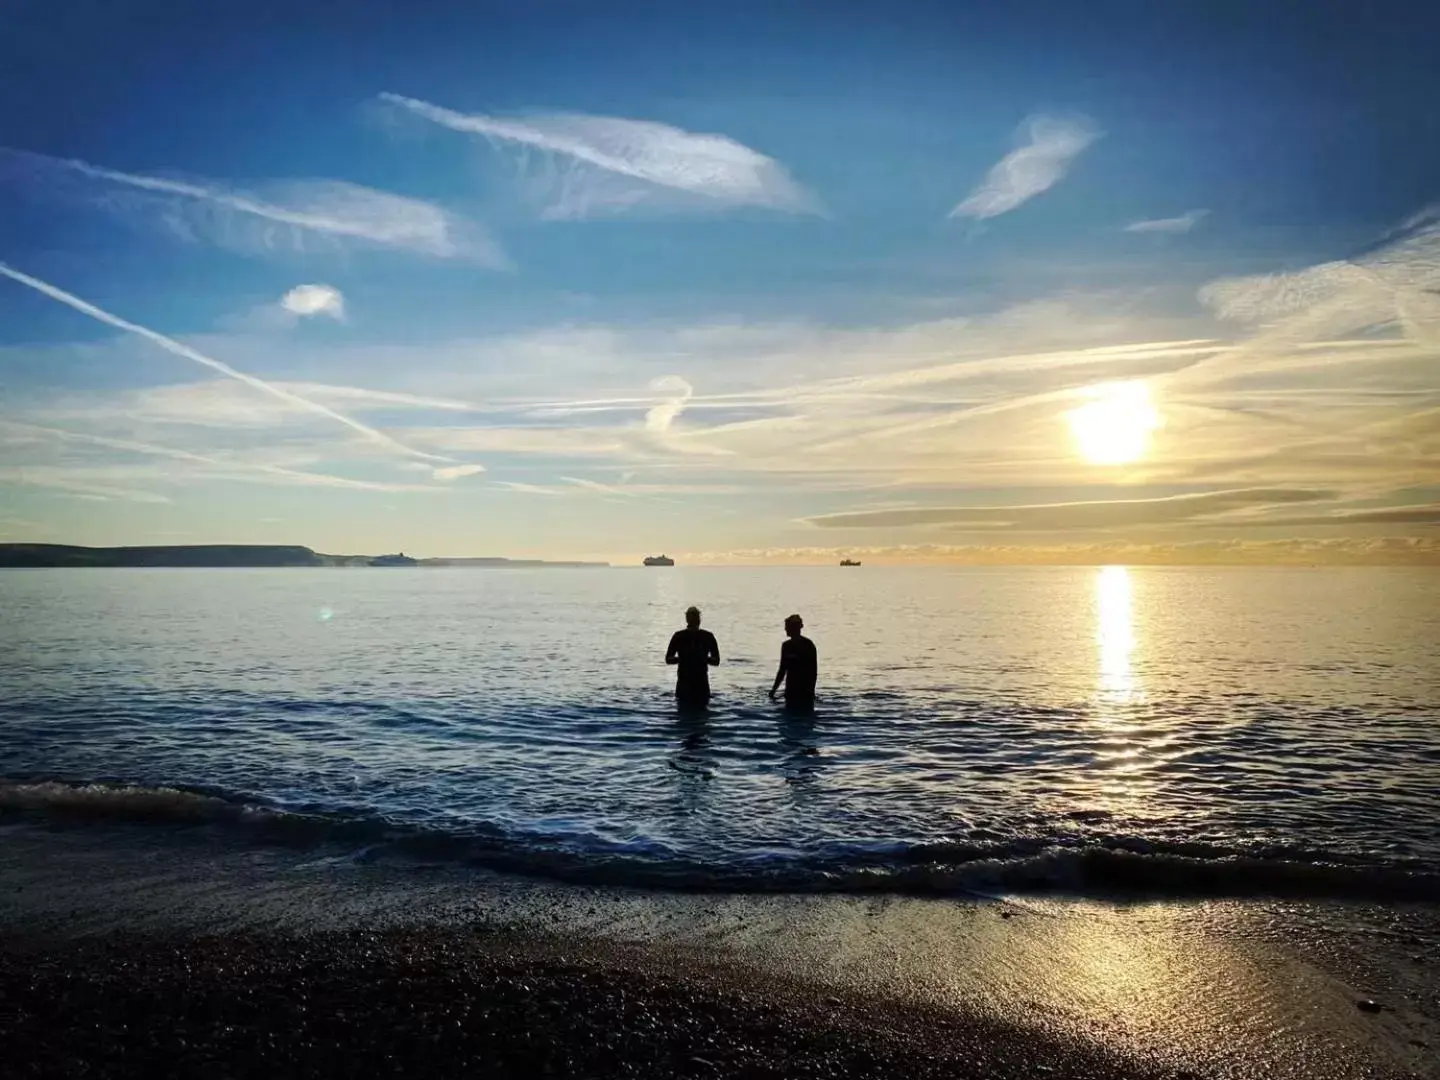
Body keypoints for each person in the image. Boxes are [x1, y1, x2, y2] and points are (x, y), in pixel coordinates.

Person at [666, 606, 720, 706]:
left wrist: (699, 658)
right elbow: (716, 661)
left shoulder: (680, 636)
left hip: (693, 683)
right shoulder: (705, 636)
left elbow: (668, 659)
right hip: (692, 683)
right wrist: (687, 658)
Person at [769, 613, 817, 711]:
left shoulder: (808, 645)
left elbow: (813, 671)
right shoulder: (786, 646)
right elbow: (782, 670)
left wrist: (810, 691)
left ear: (794, 628)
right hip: (790, 690)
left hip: (805, 692)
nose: (785, 629)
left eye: (787, 627)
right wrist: (774, 690)